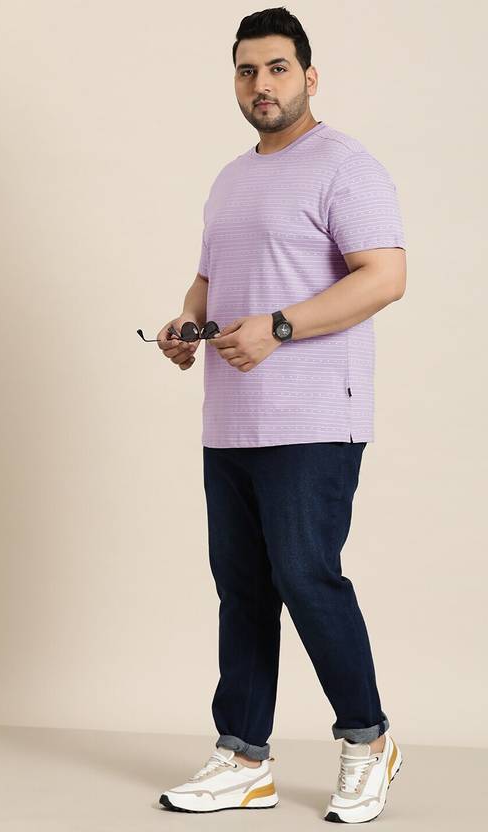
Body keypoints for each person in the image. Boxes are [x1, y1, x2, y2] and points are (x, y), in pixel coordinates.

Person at [157, 7, 405, 824]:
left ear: (309, 76)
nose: (260, 84)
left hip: (312, 417)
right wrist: (187, 324)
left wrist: (280, 327)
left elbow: (385, 277)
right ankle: (242, 759)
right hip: (230, 418)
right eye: (246, 70)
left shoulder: (346, 166)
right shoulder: (232, 177)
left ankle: (368, 740)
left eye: (276, 68)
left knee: (307, 576)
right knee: (242, 590)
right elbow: (209, 278)